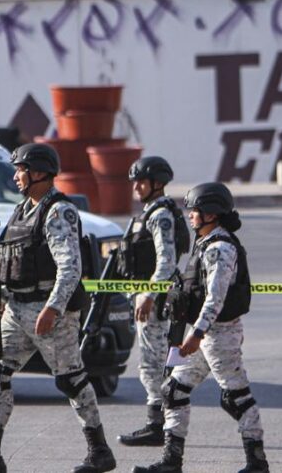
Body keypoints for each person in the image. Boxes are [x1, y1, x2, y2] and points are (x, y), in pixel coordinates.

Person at [0, 142, 116, 473]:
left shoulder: (58, 212)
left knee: (71, 380)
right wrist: (2, 298)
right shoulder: (22, 210)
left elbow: (70, 267)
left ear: (39, 173)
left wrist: (54, 308)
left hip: (49, 311)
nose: (15, 176)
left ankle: (99, 451)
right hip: (17, 309)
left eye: (21, 170)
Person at [135, 182, 268, 473]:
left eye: (195, 209)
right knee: (173, 390)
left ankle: (257, 461)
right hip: (203, 334)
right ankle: (172, 461)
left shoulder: (220, 248)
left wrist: (196, 334)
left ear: (212, 213)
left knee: (237, 397)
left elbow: (215, 298)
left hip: (218, 335)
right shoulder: (206, 243)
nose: (190, 214)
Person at [116, 156, 189, 447]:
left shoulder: (159, 215)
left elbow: (166, 261)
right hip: (149, 297)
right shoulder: (149, 213)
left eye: (141, 181)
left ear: (157, 184)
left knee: (154, 364)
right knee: (154, 363)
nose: (136, 186)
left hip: (156, 302)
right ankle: (160, 424)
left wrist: (148, 294)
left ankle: (158, 426)